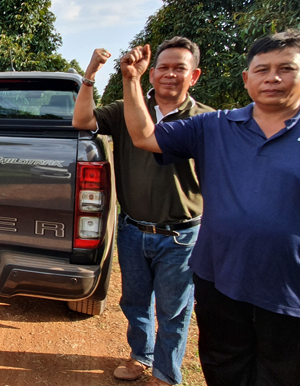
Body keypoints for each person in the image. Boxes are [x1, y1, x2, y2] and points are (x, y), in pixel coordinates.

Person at [119, 30, 300, 385]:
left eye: (285, 69)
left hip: (299, 292)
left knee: (283, 377)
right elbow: (144, 137)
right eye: (262, 70)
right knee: (224, 370)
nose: (272, 78)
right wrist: (131, 80)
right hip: (222, 283)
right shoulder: (215, 127)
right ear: (247, 78)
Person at [73, 38, 213, 386]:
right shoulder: (125, 109)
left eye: (179, 68)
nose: (169, 74)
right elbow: (81, 120)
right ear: (150, 74)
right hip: (134, 229)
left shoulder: (207, 121)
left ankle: (166, 375)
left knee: (173, 312)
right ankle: (141, 357)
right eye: (163, 67)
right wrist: (90, 74)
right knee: (135, 303)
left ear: (193, 76)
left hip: (182, 235)